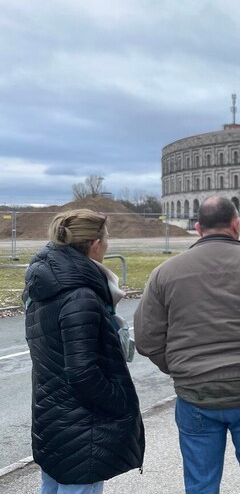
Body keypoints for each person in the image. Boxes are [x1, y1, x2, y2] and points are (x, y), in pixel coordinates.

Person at [134, 196, 240, 493]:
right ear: (236, 225)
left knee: (201, 482)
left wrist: (177, 367)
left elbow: (147, 338)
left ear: (198, 228)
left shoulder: (164, 273)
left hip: (195, 391)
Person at [24, 209, 145, 494]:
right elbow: (83, 372)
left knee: (53, 485)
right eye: (106, 238)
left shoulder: (46, 283)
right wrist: (120, 403)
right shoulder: (80, 295)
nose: (108, 244)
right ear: (94, 243)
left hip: (53, 413)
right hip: (83, 423)